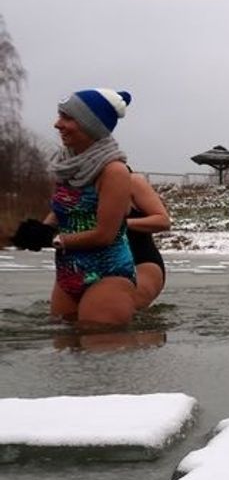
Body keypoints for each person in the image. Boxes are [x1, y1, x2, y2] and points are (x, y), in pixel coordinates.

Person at [10, 88, 137, 327]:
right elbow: (64, 210)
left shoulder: (113, 171)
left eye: (68, 118)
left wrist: (54, 239)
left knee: (98, 345)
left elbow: (104, 234)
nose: (58, 124)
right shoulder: (68, 164)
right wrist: (38, 231)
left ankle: (147, 340)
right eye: (60, 116)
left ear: (92, 125)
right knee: (65, 354)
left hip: (107, 274)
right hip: (68, 273)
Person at [126, 171, 171, 309]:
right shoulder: (71, 185)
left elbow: (163, 221)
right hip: (89, 263)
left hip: (141, 262)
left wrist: (120, 224)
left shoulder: (132, 181)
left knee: (115, 313)